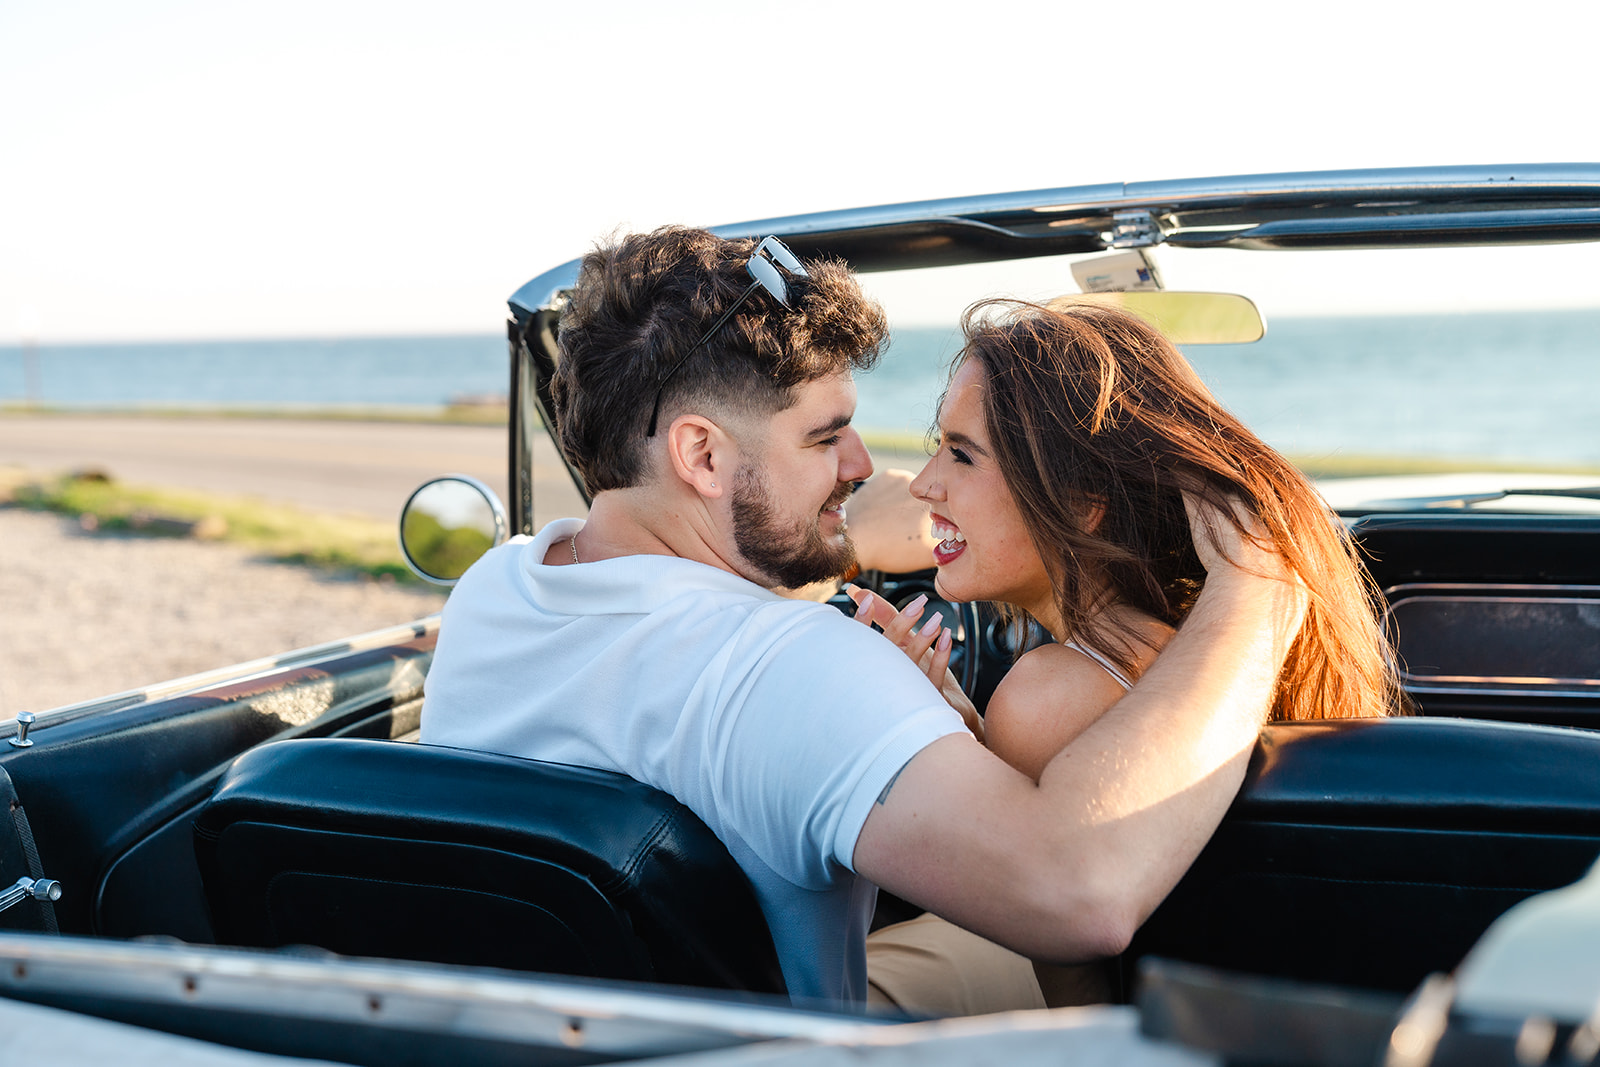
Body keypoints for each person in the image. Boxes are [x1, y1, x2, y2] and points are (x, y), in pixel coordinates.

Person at [420, 228, 1306, 1009]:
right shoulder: (797, 666)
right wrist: (1261, 590)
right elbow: (1081, 894)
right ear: (700, 453)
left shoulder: (498, 590)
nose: (864, 464)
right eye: (823, 436)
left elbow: (671, 645)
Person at [848, 298, 1400, 1008]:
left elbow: (1077, 1000)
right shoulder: (1212, 652)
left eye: (961, 453)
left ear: (1082, 499)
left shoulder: (1048, 692)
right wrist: (980, 751)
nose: (924, 484)